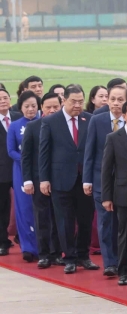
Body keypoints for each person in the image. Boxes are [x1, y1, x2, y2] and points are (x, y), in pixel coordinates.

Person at [39, 84, 97, 275]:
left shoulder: (90, 119)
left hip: (85, 179)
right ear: (64, 100)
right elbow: (44, 153)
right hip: (60, 179)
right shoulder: (51, 121)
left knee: (86, 219)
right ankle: (69, 258)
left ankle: (83, 256)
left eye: (81, 101)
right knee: (64, 221)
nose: (78, 105)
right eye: (74, 101)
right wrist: (44, 179)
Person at [83, 84, 127, 277]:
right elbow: (90, 151)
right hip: (101, 181)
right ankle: (109, 262)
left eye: (120, 100)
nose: (116, 104)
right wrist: (87, 180)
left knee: (122, 224)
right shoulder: (97, 120)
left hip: (124, 183)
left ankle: (122, 260)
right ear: (107, 100)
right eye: (113, 99)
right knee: (105, 222)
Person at [100, 99, 127, 286]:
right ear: (124, 115)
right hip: (124, 194)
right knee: (125, 235)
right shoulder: (113, 138)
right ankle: (124, 272)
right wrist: (106, 196)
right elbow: (106, 169)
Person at [22, 92, 62, 268]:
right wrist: (28, 180)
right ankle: (44, 254)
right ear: (41, 108)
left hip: (62, 180)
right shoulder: (33, 127)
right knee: (42, 218)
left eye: (56, 107)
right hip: (39, 180)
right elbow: (26, 156)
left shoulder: (65, 126)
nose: (52, 110)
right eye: (48, 107)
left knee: (59, 218)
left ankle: (57, 253)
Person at [7, 91, 39, 261]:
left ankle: (43, 246)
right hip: (21, 171)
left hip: (40, 171)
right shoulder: (14, 125)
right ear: (21, 108)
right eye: (27, 106)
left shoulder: (43, 123)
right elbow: (11, 150)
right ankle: (27, 247)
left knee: (40, 209)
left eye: (34, 105)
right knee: (24, 208)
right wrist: (26, 160)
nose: (30, 109)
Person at [0, 88, 22, 256]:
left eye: (5, 97)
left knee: (24, 204)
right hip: (1, 171)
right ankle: (2, 240)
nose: (3, 101)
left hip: (19, 168)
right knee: (3, 206)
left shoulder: (17, 117)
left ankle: (24, 238)